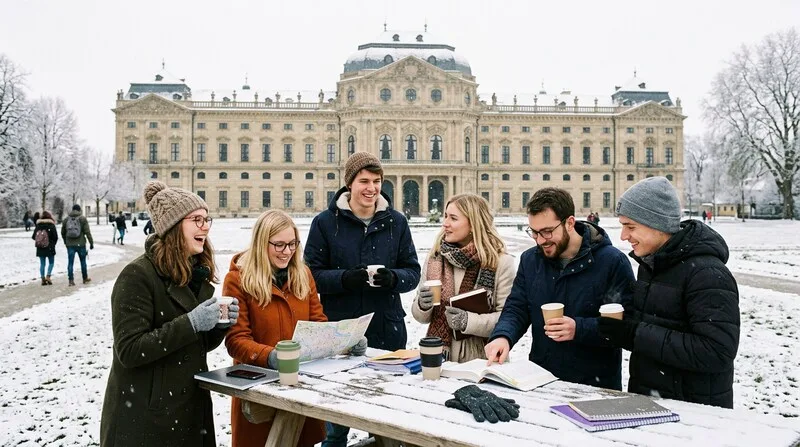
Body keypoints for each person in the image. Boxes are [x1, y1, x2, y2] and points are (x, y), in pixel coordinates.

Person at [100, 181, 239, 446]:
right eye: (196, 219)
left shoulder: (196, 274)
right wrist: (192, 322)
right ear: (174, 227)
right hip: (146, 415)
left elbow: (194, 345)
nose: (205, 226)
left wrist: (219, 325)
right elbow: (130, 350)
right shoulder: (137, 276)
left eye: (206, 218)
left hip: (188, 408)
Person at [304, 151, 420, 446]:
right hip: (340, 332)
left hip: (386, 329)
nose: (371, 188)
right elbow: (309, 276)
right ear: (349, 184)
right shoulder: (325, 223)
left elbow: (413, 272)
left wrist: (393, 279)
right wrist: (345, 279)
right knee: (336, 418)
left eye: (377, 181)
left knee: (386, 419)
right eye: (364, 181)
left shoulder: (397, 222)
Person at [599, 176, 740, 408]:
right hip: (651, 403)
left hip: (696, 414)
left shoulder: (708, 274)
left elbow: (717, 353)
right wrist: (621, 326)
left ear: (658, 224)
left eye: (630, 227)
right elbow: (657, 325)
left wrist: (635, 333)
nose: (623, 236)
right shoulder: (651, 265)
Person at [224, 210, 360, 446]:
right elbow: (236, 340)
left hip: (301, 385)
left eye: (293, 244)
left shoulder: (303, 274)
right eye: (279, 245)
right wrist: (270, 357)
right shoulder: (238, 280)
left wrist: (347, 340)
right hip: (258, 387)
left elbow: (317, 323)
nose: (287, 251)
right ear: (260, 243)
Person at [484, 187, 635, 390]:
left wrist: (579, 329)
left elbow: (626, 325)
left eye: (547, 232)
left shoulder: (612, 262)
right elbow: (517, 307)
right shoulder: (530, 260)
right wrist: (503, 336)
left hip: (595, 386)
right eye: (534, 232)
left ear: (570, 223)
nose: (540, 240)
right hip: (541, 381)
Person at [411, 194, 515, 363]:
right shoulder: (435, 259)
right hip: (438, 358)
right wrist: (422, 305)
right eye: (445, 216)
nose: (445, 223)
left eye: (453, 218)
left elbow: (508, 318)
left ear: (473, 224)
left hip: (482, 360)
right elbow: (421, 317)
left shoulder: (501, 263)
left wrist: (468, 321)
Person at [62, 204, 94, 286]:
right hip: (81, 244)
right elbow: (87, 232)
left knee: (70, 263)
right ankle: (85, 278)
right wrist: (91, 242)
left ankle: (71, 280)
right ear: (79, 210)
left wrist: (66, 242)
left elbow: (63, 232)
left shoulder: (66, 219)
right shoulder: (82, 219)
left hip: (70, 244)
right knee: (83, 261)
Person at [32, 210, 58, 286]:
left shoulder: (38, 226)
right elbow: (55, 237)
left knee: (42, 264)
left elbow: (34, 237)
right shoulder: (51, 225)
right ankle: (48, 276)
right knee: (51, 262)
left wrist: (40, 240)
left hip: (40, 247)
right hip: (50, 247)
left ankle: (43, 279)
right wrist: (52, 244)